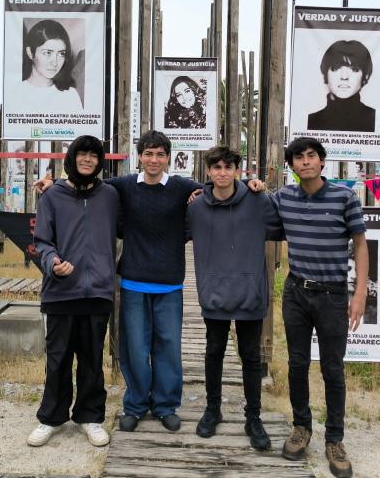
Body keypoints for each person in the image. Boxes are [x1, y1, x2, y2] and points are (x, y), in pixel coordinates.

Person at [35, 130, 264, 434]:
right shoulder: (124, 186)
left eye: (160, 154)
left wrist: (249, 184)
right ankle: (136, 404)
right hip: (133, 281)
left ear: (168, 158)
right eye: (148, 153)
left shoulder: (183, 187)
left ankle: (166, 405)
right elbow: (85, 185)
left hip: (170, 282)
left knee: (168, 347)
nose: (154, 160)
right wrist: (53, 184)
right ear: (139, 156)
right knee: (135, 349)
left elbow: (219, 185)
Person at [275, 137, 368, 478]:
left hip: (333, 295)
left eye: (311, 156)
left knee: (333, 367)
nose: (305, 162)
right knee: (297, 363)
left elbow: (360, 245)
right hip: (296, 292)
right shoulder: (283, 197)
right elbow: (255, 206)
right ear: (292, 165)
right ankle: (302, 427)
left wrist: (359, 295)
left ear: (322, 161)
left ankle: (335, 439)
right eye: (298, 158)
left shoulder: (345, 197)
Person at [186, 146, 284, 450]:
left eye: (228, 167)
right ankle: (212, 409)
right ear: (209, 171)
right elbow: (174, 232)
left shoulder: (257, 202)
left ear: (237, 170)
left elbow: (280, 229)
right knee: (214, 351)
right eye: (216, 167)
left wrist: (267, 191)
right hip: (214, 292)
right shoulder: (196, 207)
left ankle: (253, 416)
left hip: (250, 293)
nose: (222, 172)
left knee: (251, 356)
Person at [27, 135, 119, 448]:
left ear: (100, 161)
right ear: (72, 158)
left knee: (92, 360)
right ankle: (51, 418)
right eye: (83, 154)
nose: (88, 160)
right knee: (58, 359)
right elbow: (41, 241)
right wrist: (52, 263)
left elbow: (148, 185)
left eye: (94, 155)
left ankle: (90, 417)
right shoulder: (52, 196)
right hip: (61, 292)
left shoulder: (111, 195)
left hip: (98, 293)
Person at [307, 40, 376, 133]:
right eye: (335, 68)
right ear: (325, 75)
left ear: (366, 77)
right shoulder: (311, 121)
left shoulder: (375, 120)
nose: (344, 77)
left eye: (354, 69)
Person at [19, 19, 83, 112]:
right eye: (48, 53)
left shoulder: (70, 95)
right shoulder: (16, 92)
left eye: (61, 54)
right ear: (30, 52)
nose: (55, 62)